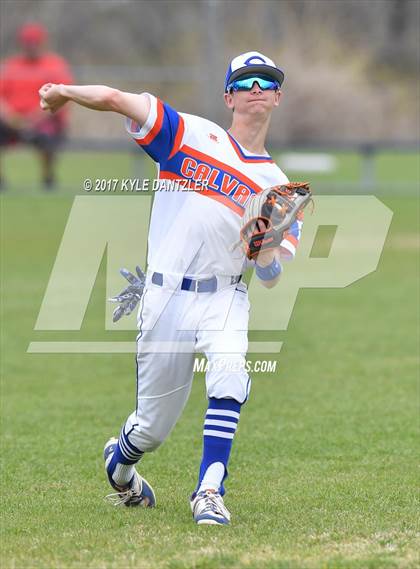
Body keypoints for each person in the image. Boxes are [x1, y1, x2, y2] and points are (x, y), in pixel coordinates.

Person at [39, 51, 303, 525]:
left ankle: (209, 490)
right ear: (229, 96)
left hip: (225, 295)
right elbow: (118, 99)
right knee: (151, 430)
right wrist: (63, 92)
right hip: (164, 297)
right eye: (245, 82)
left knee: (228, 375)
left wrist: (265, 248)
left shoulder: (280, 188)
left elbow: (271, 275)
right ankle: (120, 465)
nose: (257, 88)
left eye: (267, 81)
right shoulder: (190, 135)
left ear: (279, 96)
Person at [0, 22, 73, 190]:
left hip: (44, 118)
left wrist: (34, 118)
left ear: (42, 43)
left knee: (47, 134)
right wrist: (11, 116)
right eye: (27, 42)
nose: (31, 46)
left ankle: (48, 177)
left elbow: (63, 98)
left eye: (34, 42)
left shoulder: (55, 64)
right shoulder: (11, 65)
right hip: (12, 120)